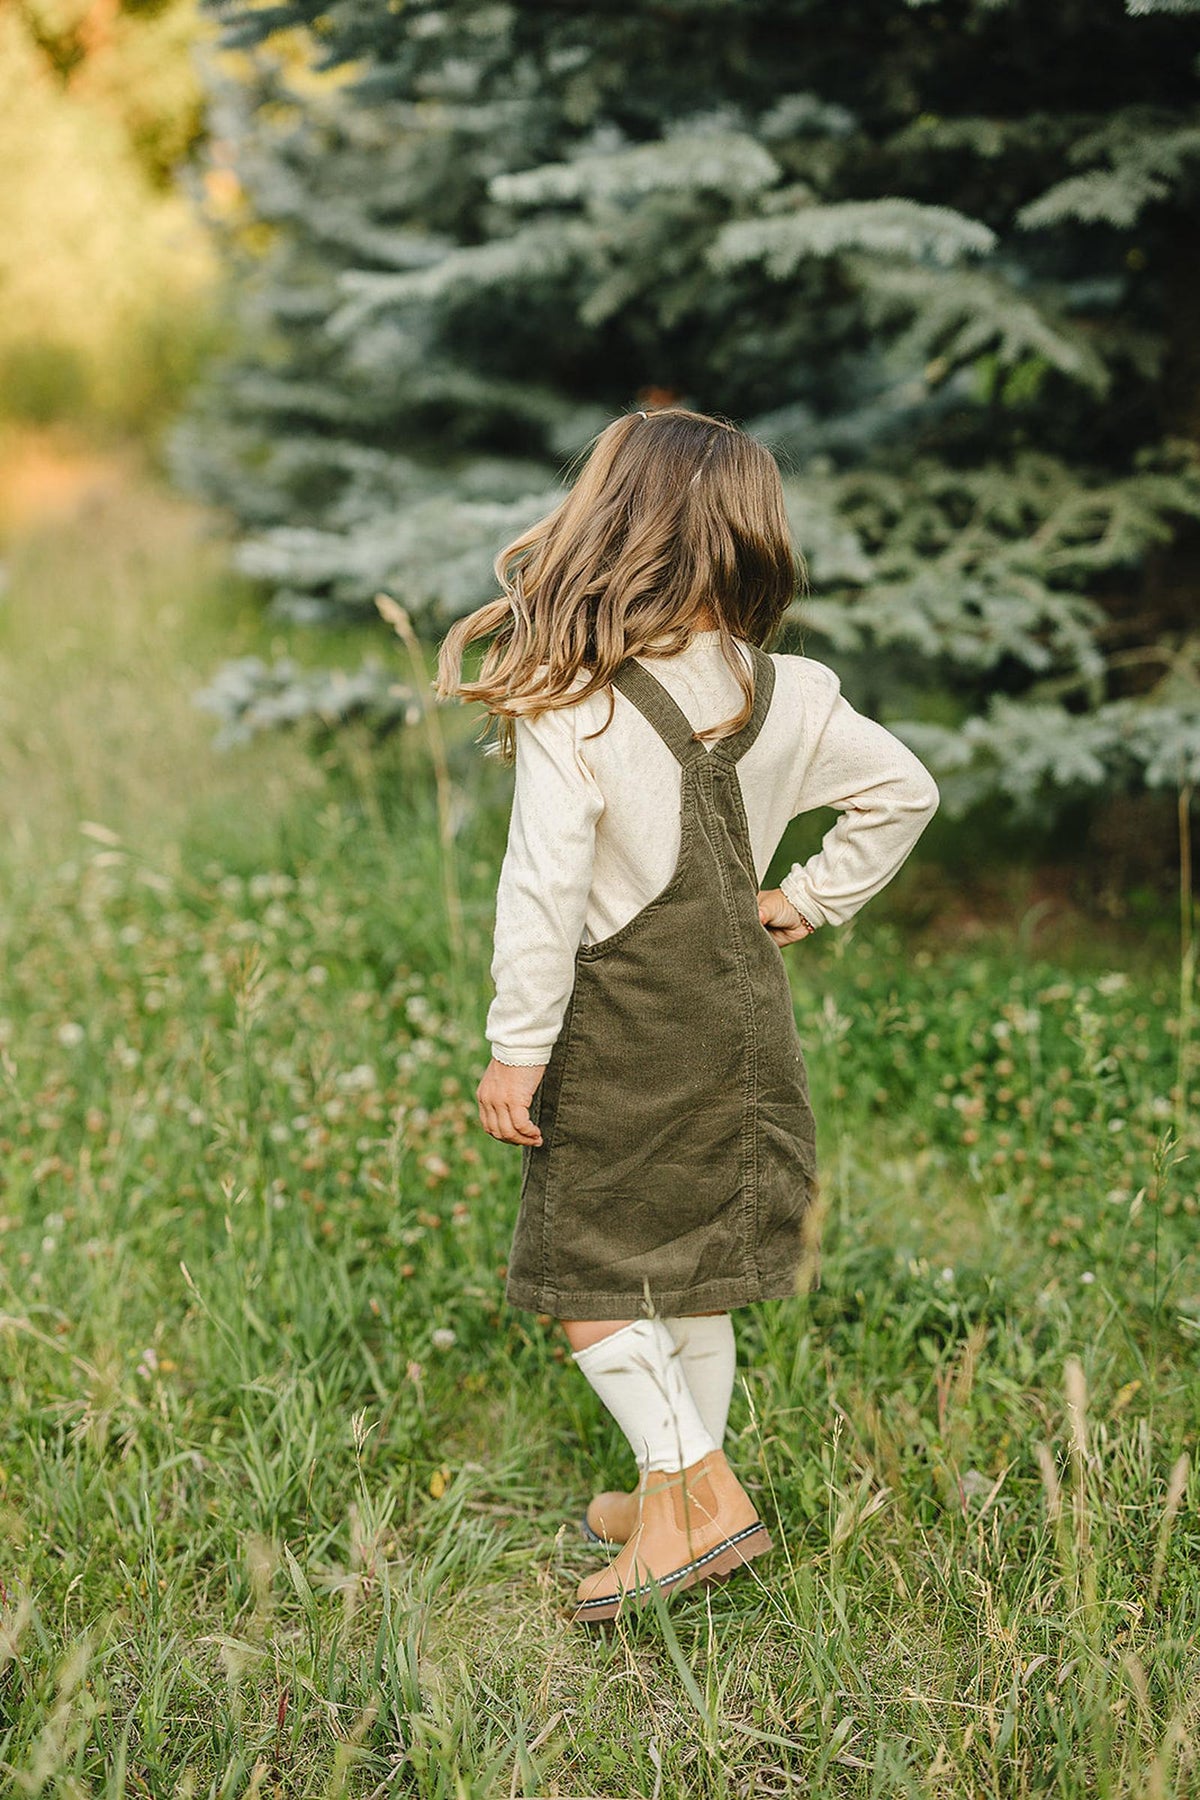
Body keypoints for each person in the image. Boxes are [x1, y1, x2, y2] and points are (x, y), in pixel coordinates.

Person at [435, 406, 939, 1624]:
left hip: (623, 1034)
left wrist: (518, 1048)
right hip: (741, 1029)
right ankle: (673, 1496)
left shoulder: (584, 703)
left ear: (613, 526)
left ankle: (693, 1493)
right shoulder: (791, 691)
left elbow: (545, 892)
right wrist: (813, 898)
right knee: (695, 1274)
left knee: (589, 1275)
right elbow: (905, 790)